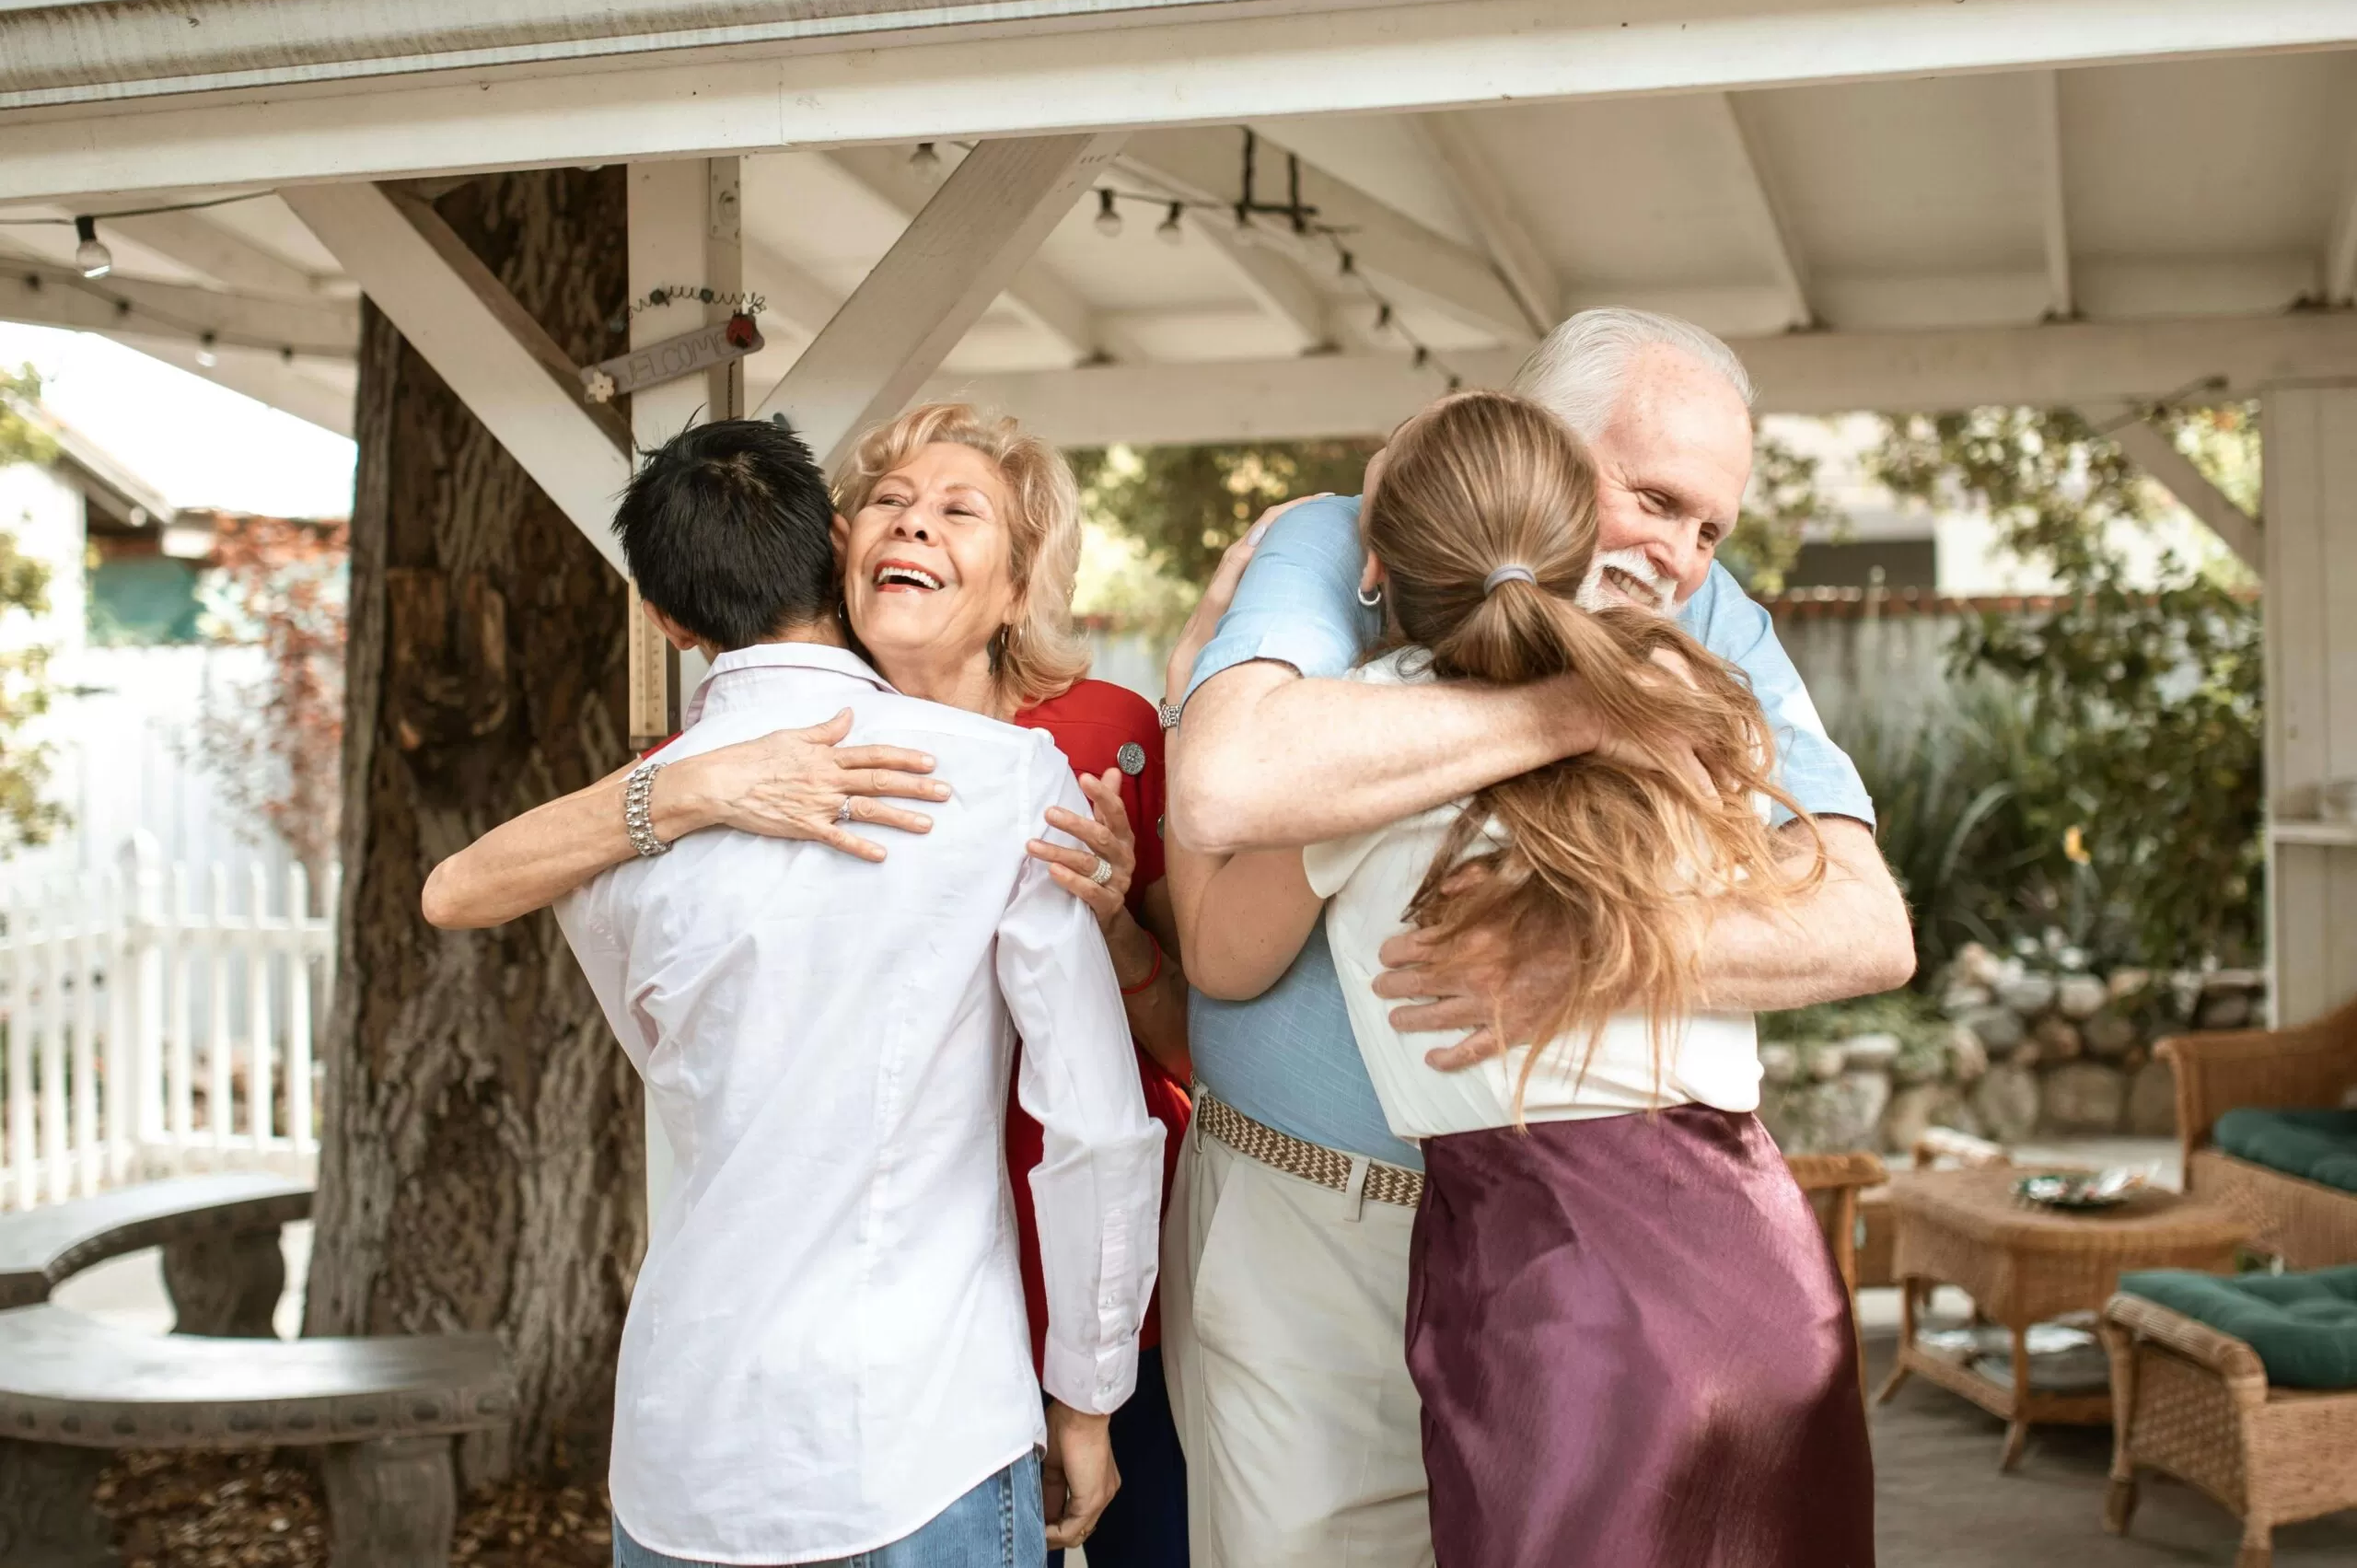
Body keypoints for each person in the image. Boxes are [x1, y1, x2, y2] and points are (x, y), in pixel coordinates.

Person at [1155, 308, 1915, 1566]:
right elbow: (1227, 786)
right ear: (1540, 442)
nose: (1680, 559)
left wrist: (1588, 956)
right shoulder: (1336, 540)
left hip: (1572, 1274)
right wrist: (1579, 706)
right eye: (1656, 498)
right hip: (1322, 1232)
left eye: (1711, 525)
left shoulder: (1704, 619)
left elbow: (1863, 920)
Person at [422, 404, 1194, 1566]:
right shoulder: (1005, 784)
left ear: (662, 617)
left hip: (691, 1434)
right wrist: (1086, 1402)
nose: (915, 527)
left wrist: (676, 793)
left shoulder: (609, 839)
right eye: (893, 503)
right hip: (919, 1419)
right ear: (835, 548)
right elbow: (1095, 1127)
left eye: (954, 510)